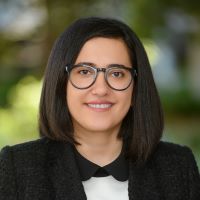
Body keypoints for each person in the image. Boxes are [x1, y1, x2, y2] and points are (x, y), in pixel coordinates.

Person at [0, 17, 200, 200]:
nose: (101, 89)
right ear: (61, 85)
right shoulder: (17, 168)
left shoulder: (178, 166)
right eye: (85, 71)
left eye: (117, 74)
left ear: (136, 89)